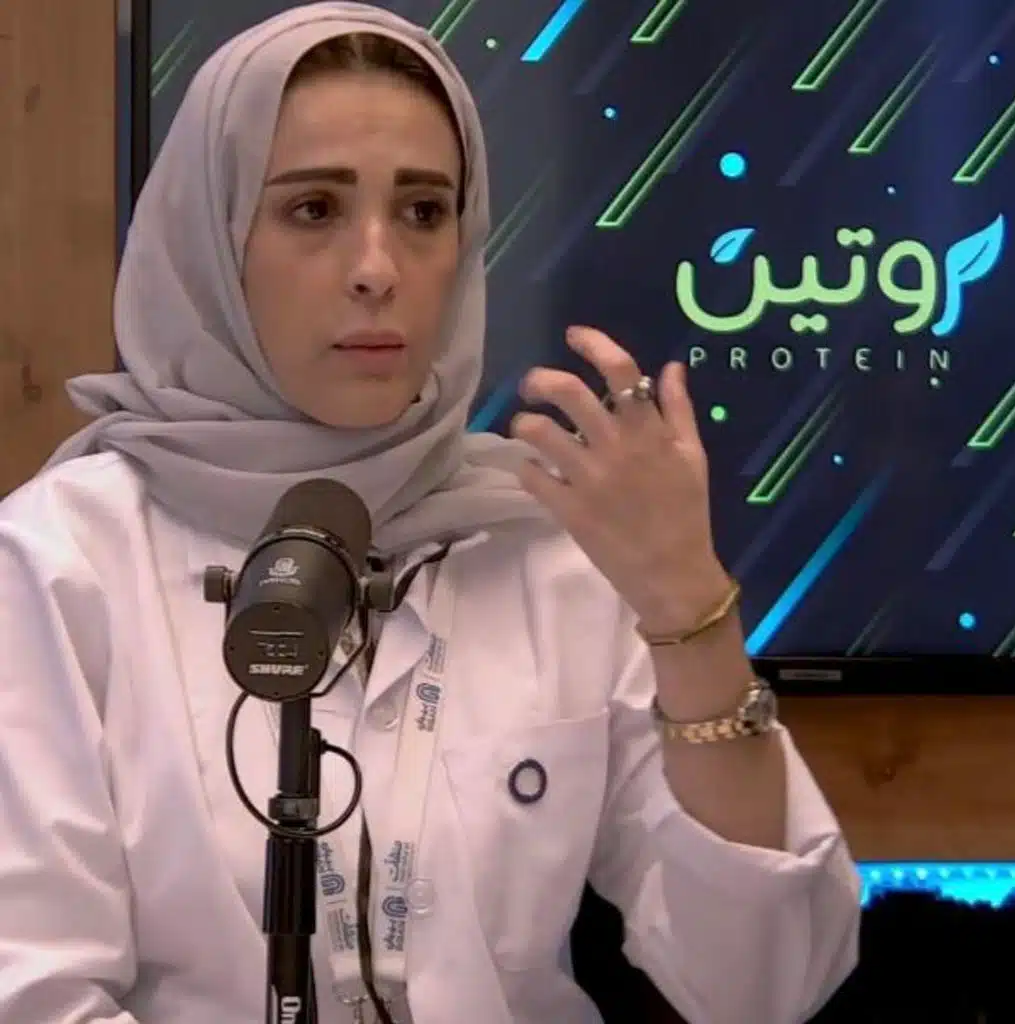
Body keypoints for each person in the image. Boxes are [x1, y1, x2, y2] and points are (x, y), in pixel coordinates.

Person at [0, 4, 860, 1022]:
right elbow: (33, 990)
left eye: (421, 211)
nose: (378, 267)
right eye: (313, 209)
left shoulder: (547, 543)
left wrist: (690, 615)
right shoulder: (64, 560)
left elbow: (764, 986)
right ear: (212, 239)